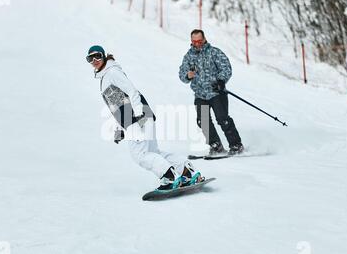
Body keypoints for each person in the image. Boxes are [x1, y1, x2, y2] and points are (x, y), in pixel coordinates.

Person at [87, 45, 203, 190]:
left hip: (137, 118)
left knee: (140, 155)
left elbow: (132, 91)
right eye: (90, 58)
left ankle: (170, 177)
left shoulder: (112, 72)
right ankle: (187, 171)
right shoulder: (106, 75)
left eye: (97, 56)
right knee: (153, 153)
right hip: (138, 116)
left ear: (104, 55)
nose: (94, 60)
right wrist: (120, 128)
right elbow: (119, 104)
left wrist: (138, 113)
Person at [179, 29, 244, 156]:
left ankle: (236, 145)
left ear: (204, 39)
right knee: (202, 121)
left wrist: (220, 81)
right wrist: (188, 75)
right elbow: (182, 74)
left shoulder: (214, 52)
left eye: (199, 41)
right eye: (194, 41)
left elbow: (226, 68)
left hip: (216, 93)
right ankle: (216, 145)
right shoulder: (188, 56)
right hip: (200, 94)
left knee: (222, 119)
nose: (197, 44)